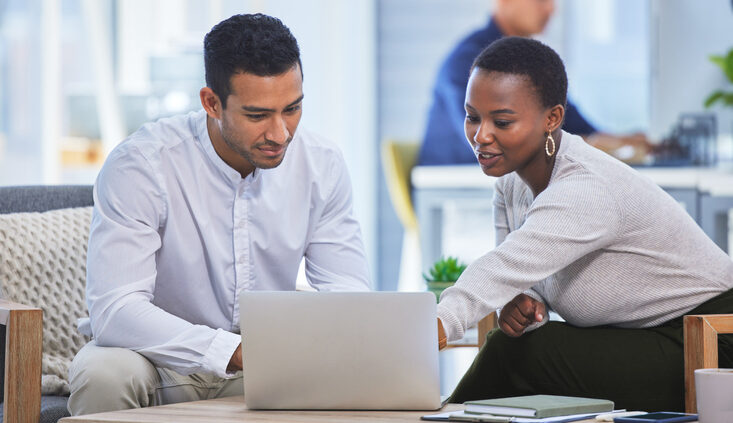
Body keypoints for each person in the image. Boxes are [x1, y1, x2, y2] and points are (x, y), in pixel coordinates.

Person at [67, 13, 371, 415]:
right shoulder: (141, 164)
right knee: (103, 374)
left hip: (268, 363)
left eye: (292, 108)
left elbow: (348, 292)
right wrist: (234, 350)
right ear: (212, 103)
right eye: (258, 115)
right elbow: (116, 310)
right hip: (158, 361)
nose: (281, 134)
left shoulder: (322, 164)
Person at [435, 36, 733, 411]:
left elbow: (500, 268)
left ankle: (436, 417)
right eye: (472, 116)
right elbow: (518, 274)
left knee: (519, 354)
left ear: (552, 119)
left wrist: (434, 327)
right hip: (640, 338)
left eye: (502, 121)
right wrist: (524, 300)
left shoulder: (586, 188)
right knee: (518, 346)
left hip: (710, 342)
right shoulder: (511, 187)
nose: (481, 136)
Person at [418, 0, 649, 166]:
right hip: (457, 196)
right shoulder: (468, 62)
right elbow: (491, 141)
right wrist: (594, 144)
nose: (551, 8)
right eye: (541, 0)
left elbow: (574, 126)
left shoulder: (532, 63)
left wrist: (622, 141)